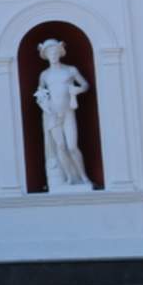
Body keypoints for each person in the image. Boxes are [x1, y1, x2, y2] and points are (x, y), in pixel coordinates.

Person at [33, 39, 90, 188]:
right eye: (49, 53)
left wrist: (78, 89)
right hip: (53, 115)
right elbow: (40, 94)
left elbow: (85, 84)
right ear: (46, 55)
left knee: (72, 146)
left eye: (55, 52)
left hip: (68, 112)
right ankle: (70, 178)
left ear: (60, 53)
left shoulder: (70, 70)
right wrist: (45, 106)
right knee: (61, 146)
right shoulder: (44, 75)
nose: (53, 55)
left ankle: (83, 177)